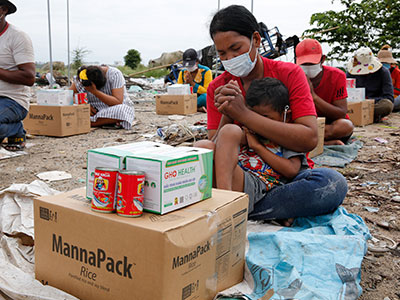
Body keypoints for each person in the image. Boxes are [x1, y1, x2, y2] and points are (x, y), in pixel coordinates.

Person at [196, 5, 347, 222]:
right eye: (222, 53)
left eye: (236, 48)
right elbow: (217, 146)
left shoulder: (290, 74)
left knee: (331, 183)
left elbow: (309, 139)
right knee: (201, 150)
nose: (229, 58)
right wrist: (228, 113)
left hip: (284, 176)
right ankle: (235, 205)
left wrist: (245, 115)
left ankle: (241, 208)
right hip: (241, 174)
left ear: (256, 40)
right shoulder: (218, 88)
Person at [216, 78, 309, 222]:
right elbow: (217, 143)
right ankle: (225, 200)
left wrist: (258, 147)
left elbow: (291, 170)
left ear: (286, 115)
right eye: (253, 116)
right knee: (205, 145)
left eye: (265, 117)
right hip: (235, 180)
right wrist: (228, 111)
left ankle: (226, 205)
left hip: (261, 186)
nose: (257, 122)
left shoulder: (286, 137)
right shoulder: (249, 131)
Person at [295, 39, 354, 145]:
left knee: (345, 126)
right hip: (304, 125)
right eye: (304, 64)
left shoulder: (336, 76)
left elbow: (341, 112)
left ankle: (315, 140)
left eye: (312, 63)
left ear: (322, 59)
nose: (308, 67)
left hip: (329, 124)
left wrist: (313, 96)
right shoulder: (293, 76)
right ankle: (325, 142)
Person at [0, 0, 35, 151]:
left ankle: (15, 129)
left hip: (13, 100)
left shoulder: (17, 37)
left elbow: (29, 78)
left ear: (3, 10)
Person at [70, 65, 134, 129]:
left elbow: (117, 101)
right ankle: (105, 122)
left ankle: (89, 123)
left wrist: (95, 92)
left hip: (111, 109)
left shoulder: (114, 74)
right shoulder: (83, 76)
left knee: (123, 110)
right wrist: (83, 106)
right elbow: (68, 96)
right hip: (90, 111)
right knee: (66, 110)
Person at [346, 47, 394, 122]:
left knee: (387, 105)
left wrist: (367, 101)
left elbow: (389, 97)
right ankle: (366, 116)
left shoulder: (383, 72)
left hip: (374, 104)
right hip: (354, 104)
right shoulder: (351, 72)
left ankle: (359, 114)